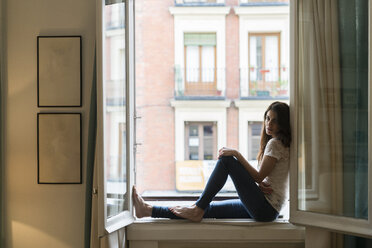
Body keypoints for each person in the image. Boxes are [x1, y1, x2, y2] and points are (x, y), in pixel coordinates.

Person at [133, 101, 291, 222]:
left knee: (227, 160)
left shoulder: (276, 143)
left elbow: (258, 176)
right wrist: (257, 183)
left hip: (266, 208)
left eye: (275, 121)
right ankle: (147, 210)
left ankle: (197, 208)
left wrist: (236, 153)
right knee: (208, 210)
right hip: (267, 209)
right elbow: (262, 177)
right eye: (267, 118)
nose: (269, 124)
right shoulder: (278, 144)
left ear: (282, 124)